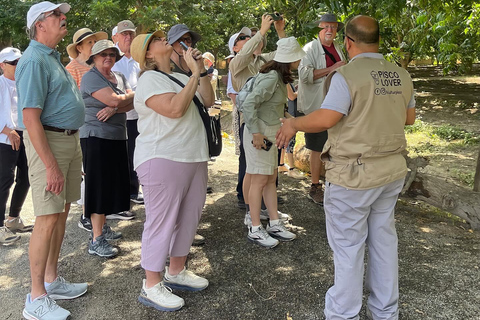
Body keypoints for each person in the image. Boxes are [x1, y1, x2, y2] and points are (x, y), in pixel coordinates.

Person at [276, 15, 416, 320]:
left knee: (349, 247)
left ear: (348, 43)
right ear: (378, 40)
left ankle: (344, 313)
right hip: (390, 172)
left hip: (353, 176)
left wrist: (293, 123)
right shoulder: (401, 75)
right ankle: (384, 311)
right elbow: (409, 119)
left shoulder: (347, 76)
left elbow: (327, 118)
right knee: (383, 241)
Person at [130, 30, 214, 311]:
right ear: (148, 55)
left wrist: (199, 71)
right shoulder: (148, 80)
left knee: (189, 216)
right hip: (162, 157)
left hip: (192, 156)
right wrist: (192, 75)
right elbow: (175, 109)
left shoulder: (179, 76)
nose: (163, 38)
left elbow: (209, 100)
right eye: (155, 39)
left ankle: (176, 271)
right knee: (161, 220)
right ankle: (151, 284)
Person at [16, 2, 88, 319]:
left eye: (63, 15)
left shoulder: (51, 58)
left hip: (68, 140)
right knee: (47, 217)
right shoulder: (33, 60)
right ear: (40, 24)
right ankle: (35, 299)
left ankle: (51, 280)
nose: (63, 19)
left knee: (60, 214)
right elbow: (30, 118)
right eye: (57, 16)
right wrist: (51, 164)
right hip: (50, 142)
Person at [242, 37, 303, 248]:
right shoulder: (271, 78)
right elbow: (249, 104)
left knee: (269, 178)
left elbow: (271, 106)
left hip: (269, 131)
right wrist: (256, 133)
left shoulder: (277, 77)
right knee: (259, 179)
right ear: (290, 59)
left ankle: (274, 223)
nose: (299, 61)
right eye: (297, 58)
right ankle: (255, 227)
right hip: (260, 132)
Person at [229, 15, 289, 216]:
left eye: (251, 37)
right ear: (235, 48)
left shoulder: (262, 61)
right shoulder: (237, 65)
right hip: (252, 124)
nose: (249, 39)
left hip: (269, 123)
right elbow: (246, 53)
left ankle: (264, 209)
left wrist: (280, 31)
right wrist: (262, 31)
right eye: (243, 38)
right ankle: (250, 211)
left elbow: (285, 55)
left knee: (267, 172)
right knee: (252, 171)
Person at [80, 39, 134, 258]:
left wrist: (114, 108)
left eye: (112, 54)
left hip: (117, 135)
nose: (108, 58)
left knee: (111, 184)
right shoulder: (91, 77)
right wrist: (119, 102)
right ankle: (96, 239)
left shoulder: (118, 77)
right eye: (103, 54)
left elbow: (132, 102)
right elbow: (116, 99)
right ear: (93, 57)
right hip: (96, 137)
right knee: (98, 187)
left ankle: (101, 229)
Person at [297, 13, 346, 205]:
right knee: (317, 147)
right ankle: (315, 186)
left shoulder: (338, 49)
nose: (330, 30)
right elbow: (305, 76)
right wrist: (332, 68)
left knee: (335, 145)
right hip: (317, 106)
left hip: (336, 105)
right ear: (320, 28)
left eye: (333, 27)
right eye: (326, 27)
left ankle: (334, 184)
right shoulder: (309, 49)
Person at [65, 27, 108, 232]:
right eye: (89, 42)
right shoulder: (71, 68)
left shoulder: (98, 67)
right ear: (79, 47)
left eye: (94, 41)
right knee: (88, 171)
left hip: (103, 124)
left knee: (99, 172)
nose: (92, 45)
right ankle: (85, 214)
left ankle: (99, 216)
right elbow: (71, 99)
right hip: (84, 125)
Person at [0, 47, 33, 246]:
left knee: (27, 176)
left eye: (20, 61)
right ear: (2, 65)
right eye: (14, 63)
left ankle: (13, 219)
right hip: (5, 137)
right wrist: (7, 131)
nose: (18, 65)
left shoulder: (25, 83)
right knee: (4, 180)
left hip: (24, 133)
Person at [111, 20, 143, 207]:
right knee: (124, 155)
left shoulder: (139, 58)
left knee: (137, 152)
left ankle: (134, 189)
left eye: (131, 33)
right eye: (124, 34)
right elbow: (117, 92)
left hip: (140, 115)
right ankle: (126, 191)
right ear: (116, 37)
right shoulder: (112, 59)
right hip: (121, 115)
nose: (128, 37)